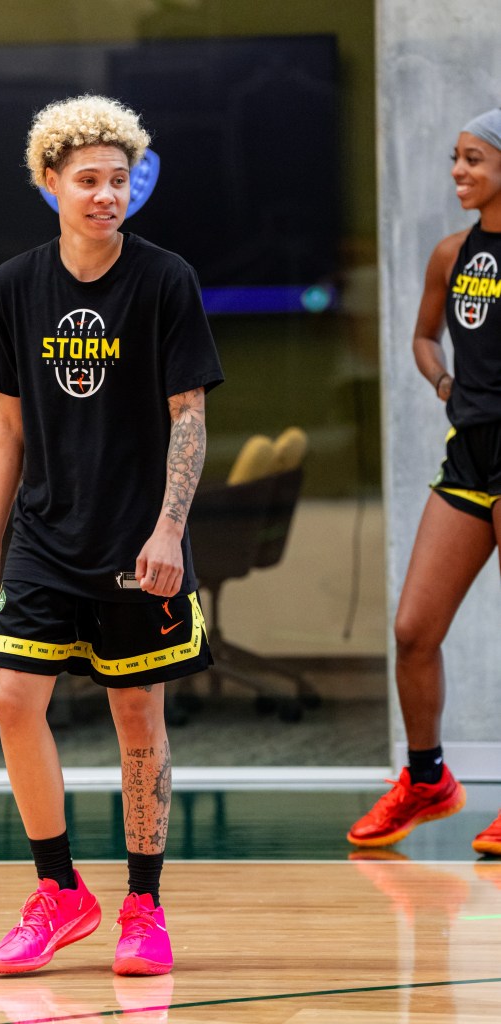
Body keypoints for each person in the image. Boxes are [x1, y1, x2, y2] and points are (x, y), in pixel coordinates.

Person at [0, 94, 223, 976]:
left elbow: (188, 417)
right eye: (87, 181)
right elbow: (7, 428)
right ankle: (59, 891)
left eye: (119, 180)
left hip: (134, 539)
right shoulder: (14, 285)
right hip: (43, 534)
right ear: (49, 184)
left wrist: (168, 531)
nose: (106, 195)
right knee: (10, 701)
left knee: (135, 713)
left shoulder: (164, 279)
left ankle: (143, 906)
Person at [347, 106, 501, 856]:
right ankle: (426, 779)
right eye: (453, 158)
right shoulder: (451, 252)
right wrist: (441, 381)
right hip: (468, 461)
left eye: (472, 159)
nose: (457, 172)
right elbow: (420, 333)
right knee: (413, 630)